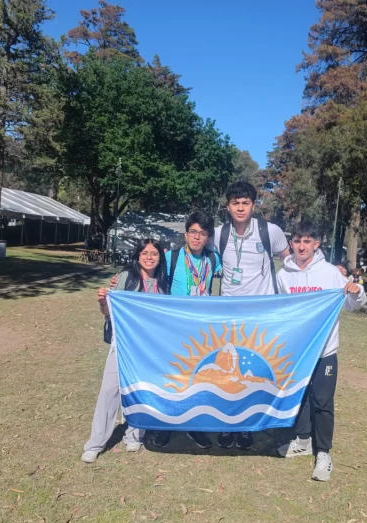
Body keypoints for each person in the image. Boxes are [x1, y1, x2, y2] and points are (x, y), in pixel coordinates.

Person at [275, 222, 367, 481]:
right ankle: (303, 441)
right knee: (301, 396)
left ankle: (324, 453)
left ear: (316, 244)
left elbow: (352, 303)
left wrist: (356, 291)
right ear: (291, 243)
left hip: (325, 351)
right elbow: (283, 309)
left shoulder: (329, 273)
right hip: (298, 351)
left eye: (307, 241)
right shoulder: (284, 275)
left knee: (322, 402)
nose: (301, 246)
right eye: (297, 241)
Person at [213, 181, 290, 449]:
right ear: (228, 207)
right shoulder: (218, 234)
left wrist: (326, 270)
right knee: (228, 373)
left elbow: (291, 260)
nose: (241, 207)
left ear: (253, 206)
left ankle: (246, 426)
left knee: (252, 370)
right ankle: (227, 424)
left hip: (261, 317)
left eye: (245, 203)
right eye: (236, 203)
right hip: (229, 316)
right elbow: (192, 252)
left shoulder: (271, 231)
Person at [81, 239, 169, 463]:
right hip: (123, 346)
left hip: (149, 349)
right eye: (145, 253)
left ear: (161, 258)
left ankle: (135, 434)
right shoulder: (125, 278)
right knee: (109, 391)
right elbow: (109, 312)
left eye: (154, 254)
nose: (149, 257)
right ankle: (95, 443)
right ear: (138, 255)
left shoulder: (163, 284)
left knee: (142, 391)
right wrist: (102, 301)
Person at [152, 211, 223, 450]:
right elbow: (147, 273)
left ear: (208, 238)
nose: (196, 237)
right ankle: (166, 426)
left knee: (197, 379)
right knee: (172, 378)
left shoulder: (213, 260)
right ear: (186, 234)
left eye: (202, 234)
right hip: (174, 327)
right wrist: (118, 281)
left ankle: (194, 424)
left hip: (201, 330)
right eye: (193, 232)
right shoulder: (171, 257)